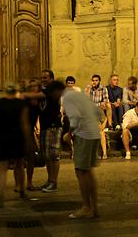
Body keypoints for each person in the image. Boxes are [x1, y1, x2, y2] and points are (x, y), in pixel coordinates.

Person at [50, 80, 102, 219]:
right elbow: (97, 111)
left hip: (83, 135)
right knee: (88, 171)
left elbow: (75, 118)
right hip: (94, 134)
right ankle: (94, 208)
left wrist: (69, 133)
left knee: (80, 171)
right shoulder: (80, 95)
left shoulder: (67, 98)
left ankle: (86, 206)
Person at [0, 83, 30, 207]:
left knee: (3, 168)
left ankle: (1, 195)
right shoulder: (21, 104)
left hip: (2, 137)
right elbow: (24, 123)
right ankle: (22, 190)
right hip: (17, 137)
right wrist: (28, 139)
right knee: (19, 165)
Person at [38, 69, 62, 192]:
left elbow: (40, 95)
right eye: (41, 78)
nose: (43, 80)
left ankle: (54, 181)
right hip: (44, 126)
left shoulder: (52, 90)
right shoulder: (43, 90)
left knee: (53, 155)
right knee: (47, 156)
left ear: (51, 79)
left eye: (46, 77)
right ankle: (49, 180)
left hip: (53, 126)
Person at [23, 78, 43, 191]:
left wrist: (36, 127)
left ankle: (29, 182)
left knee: (30, 157)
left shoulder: (38, 100)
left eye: (35, 86)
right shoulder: (25, 100)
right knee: (20, 158)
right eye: (31, 86)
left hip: (30, 129)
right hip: (22, 130)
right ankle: (20, 184)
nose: (33, 88)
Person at [84, 75, 110, 159]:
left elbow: (105, 100)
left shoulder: (103, 89)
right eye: (93, 80)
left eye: (96, 80)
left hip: (99, 110)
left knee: (101, 132)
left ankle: (104, 153)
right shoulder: (88, 87)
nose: (94, 82)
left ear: (99, 81)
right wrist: (89, 89)